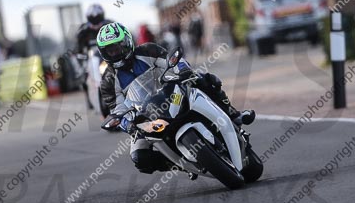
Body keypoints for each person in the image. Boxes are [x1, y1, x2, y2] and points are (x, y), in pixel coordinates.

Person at [97, 22, 254, 174]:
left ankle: (233, 114)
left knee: (206, 79)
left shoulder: (147, 50)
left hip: (171, 92)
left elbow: (172, 61)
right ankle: (181, 165)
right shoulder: (108, 81)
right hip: (145, 116)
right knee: (140, 158)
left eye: (118, 47)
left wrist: (184, 70)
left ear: (127, 42)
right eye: (110, 51)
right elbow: (117, 110)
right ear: (103, 53)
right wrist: (129, 126)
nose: (115, 53)